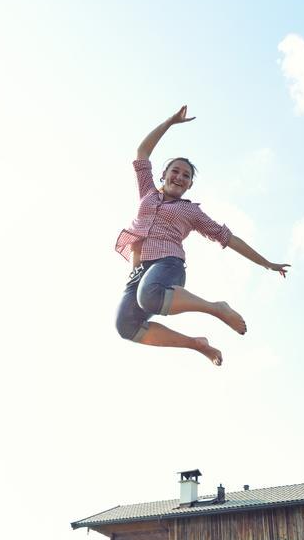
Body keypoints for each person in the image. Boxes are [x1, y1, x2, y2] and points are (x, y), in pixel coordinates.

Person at [115, 106, 290, 366]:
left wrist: (267, 263)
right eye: (175, 171)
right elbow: (142, 152)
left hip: (168, 265)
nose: (180, 177)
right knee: (126, 326)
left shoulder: (190, 212)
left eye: (186, 176)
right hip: (140, 271)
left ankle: (217, 308)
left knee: (149, 296)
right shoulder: (148, 194)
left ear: (190, 185)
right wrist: (171, 122)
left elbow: (228, 238)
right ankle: (197, 345)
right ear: (163, 176)